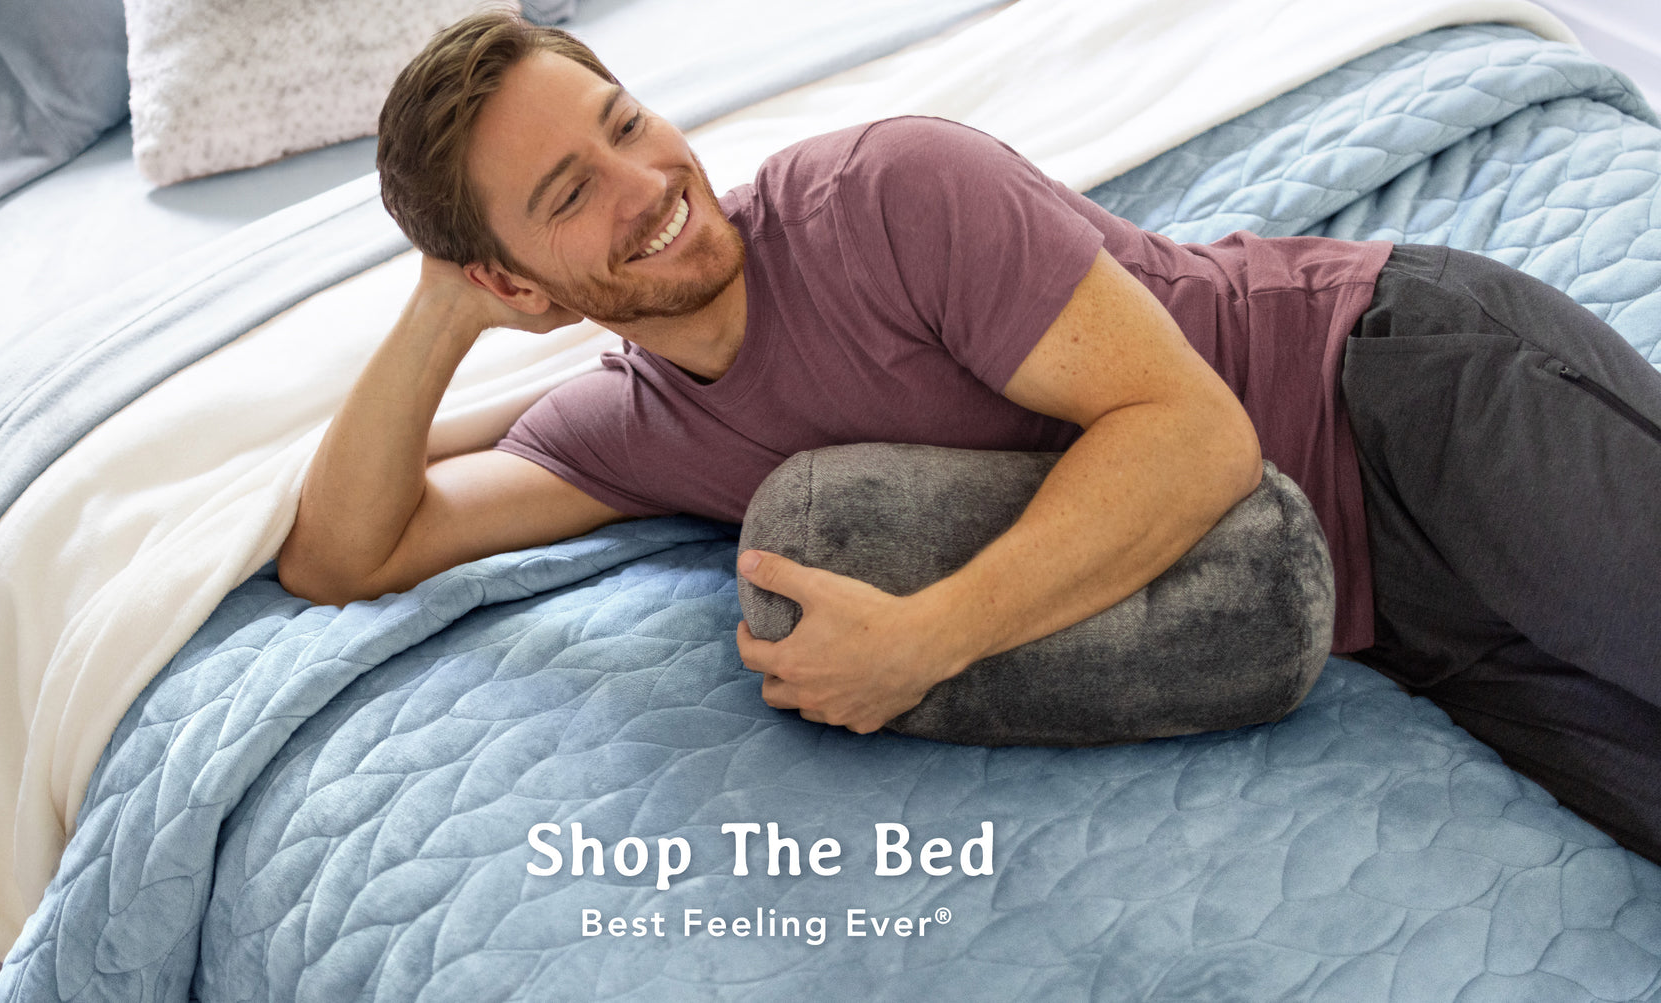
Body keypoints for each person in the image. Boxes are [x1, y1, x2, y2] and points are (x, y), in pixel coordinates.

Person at [277, 11, 1661, 860]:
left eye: (628, 122)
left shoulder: (887, 194)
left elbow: (1193, 436)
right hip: (1383, 613)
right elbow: (352, 552)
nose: (652, 186)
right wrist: (440, 320)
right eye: (574, 192)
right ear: (514, 284)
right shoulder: (638, 429)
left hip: (1408, 389)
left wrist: (928, 635)